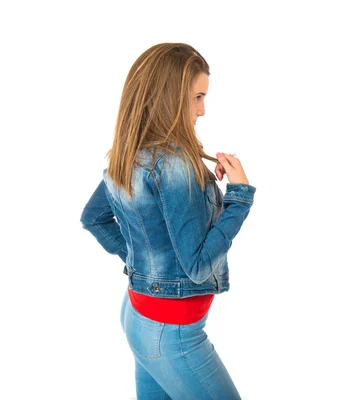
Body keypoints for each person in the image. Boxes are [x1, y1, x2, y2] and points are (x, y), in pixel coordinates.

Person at [80, 43, 255, 399]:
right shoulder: (174, 164)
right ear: (169, 97)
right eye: (197, 97)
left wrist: (143, 264)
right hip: (172, 334)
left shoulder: (130, 153)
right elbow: (197, 265)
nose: (202, 110)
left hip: (138, 315)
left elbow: (94, 218)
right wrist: (238, 197)